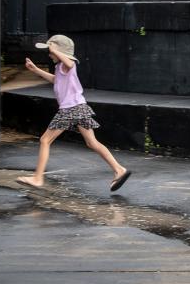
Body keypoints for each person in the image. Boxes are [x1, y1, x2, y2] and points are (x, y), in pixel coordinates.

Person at [16, 34, 131, 192]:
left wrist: (55, 50)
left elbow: (69, 63)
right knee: (92, 143)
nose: (49, 54)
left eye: (50, 51)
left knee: (45, 140)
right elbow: (56, 80)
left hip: (70, 108)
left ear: (58, 51)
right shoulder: (59, 67)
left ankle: (37, 178)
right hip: (79, 107)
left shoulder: (68, 64)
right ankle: (119, 169)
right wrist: (36, 70)